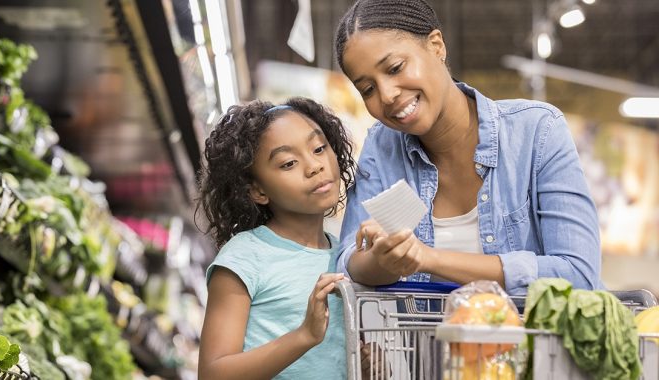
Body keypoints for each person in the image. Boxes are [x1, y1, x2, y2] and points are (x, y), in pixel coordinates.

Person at [333, 0, 603, 296]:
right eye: (367, 89)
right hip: (422, 343)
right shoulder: (381, 146)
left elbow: (577, 274)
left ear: (436, 46)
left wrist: (428, 258)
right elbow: (348, 265)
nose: (386, 95)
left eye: (395, 68)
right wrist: (381, 259)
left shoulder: (537, 131)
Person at [196, 97, 357, 379]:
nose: (314, 166)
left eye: (319, 148)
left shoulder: (345, 255)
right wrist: (304, 336)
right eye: (288, 163)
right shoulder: (245, 256)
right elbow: (213, 373)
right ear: (258, 191)